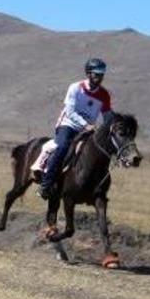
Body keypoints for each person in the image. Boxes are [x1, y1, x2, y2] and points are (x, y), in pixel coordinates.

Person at [37, 58, 114, 199]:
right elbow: (70, 111)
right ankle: (45, 185)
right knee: (62, 147)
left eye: (102, 74)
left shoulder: (104, 94)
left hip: (88, 130)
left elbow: (108, 115)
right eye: (97, 73)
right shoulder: (75, 87)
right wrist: (86, 124)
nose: (100, 77)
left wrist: (114, 125)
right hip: (68, 125)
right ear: (89, 73)